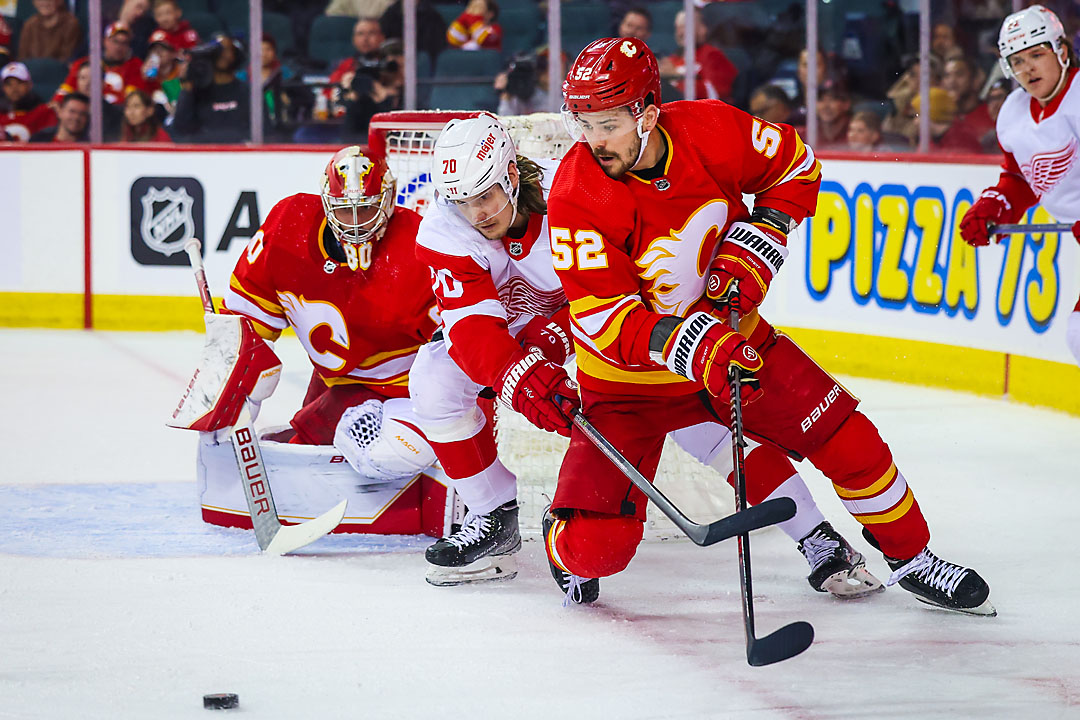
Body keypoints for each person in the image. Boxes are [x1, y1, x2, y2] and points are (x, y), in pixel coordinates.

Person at [545, 37, 994, 615]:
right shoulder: (577, 192)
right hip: (627, 387)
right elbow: (608, 320)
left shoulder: (711, 130)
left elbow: (796, 167)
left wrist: (753, 248)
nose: (591, 139)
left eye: (605, 123)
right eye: (582, 122)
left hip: (738, 341)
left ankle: (913, 558)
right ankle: (563, 542)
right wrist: (699, 344)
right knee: (596, 550)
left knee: (847, 437)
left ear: (647, 113)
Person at [413, 113, 883, 598]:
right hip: (513, 339)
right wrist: (527, 379)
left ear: (511, 175)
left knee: (702, 420)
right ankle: (494, 514)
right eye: (463, 201)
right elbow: (473, 332)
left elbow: (626, 290)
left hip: (604, 328)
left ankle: (816, 538)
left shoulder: (573, 191)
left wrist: (561, 338)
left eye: (485, 196)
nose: (477, 213)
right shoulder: (445, 229)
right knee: (433, 379)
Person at [959, 4, 1080, 367]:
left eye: (1036, 55)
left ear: (1062, 50)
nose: (1027, 69)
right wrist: (995, 205)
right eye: (1017, 61)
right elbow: (1019, 177)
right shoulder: (1014, 111)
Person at [168, 34, 255, 143]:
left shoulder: (249, 92)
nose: (222, 54)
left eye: (227, 49)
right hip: (204, 154)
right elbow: (181, 130)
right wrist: (187, 87)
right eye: (218, 49)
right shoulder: (197, 92)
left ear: (235, 55)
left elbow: (264, 131)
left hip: (241, 154)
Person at [54, 23, 143, 108]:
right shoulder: (84, 63)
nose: (119, 47)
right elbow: (65, 91)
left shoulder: (135, 65)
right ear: (105, 41)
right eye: (115, 41)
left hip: (117, 114)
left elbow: (133, 98)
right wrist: (58, 103)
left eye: (124, 43)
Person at [659, 8, 737, 102]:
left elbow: (715, 94)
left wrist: (675, 76)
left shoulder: (712, 55)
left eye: (685, 27)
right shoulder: (673, 59)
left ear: (702, 29)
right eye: (677, 28)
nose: (680, 33)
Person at [340, 39, 403, 142]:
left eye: (397, 67)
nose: (395, 73)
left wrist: (385, 100)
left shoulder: (414, 95)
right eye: (389, 68)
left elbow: (398, 141)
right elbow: (349, 137)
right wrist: (350, 95)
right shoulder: (367, 98)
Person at [943, 55, 995, 152]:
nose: (951, 81)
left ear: (975, 80)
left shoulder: (991, 114)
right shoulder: (940, 115)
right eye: (947, 76)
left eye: (959, 75)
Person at [0, 61, 57, 141]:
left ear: (29, 84)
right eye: (9, 84)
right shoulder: (2, 114)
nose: (14, 88)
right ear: (3, 88)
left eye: (19, 82)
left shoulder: (43, 112)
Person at [16, 0, 82, 62]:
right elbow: (22, 58)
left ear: (59, 1)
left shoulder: (70, 24)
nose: (44, 2)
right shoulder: (30, 24)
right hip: (31, 71)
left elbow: (66, 58)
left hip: (57, 71)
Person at [815, 76, 852, 150]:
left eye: (832, 99)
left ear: (846, 104)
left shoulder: (858, 132)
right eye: (821, 100)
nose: (825, 106)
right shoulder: (805, 134)